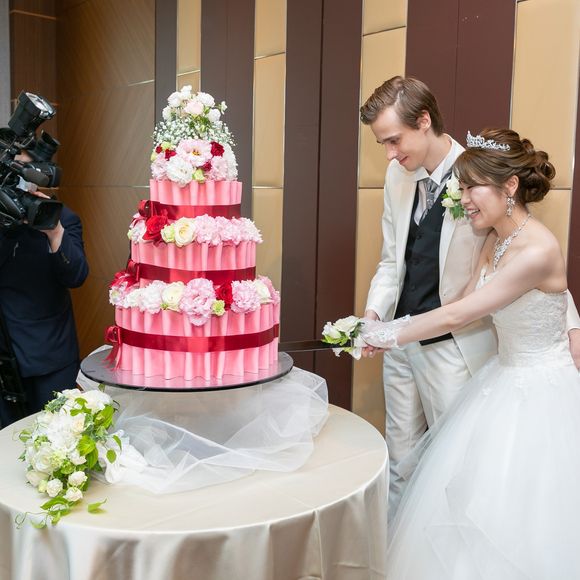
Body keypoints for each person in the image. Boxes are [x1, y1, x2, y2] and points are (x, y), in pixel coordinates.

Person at [361, 128, 580, 578]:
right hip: (504, 375)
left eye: (471, 188)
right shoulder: (495, 238)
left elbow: (458, 314)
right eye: (460, 189)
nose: (462, 200)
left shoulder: (538, 250)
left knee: (526, 508)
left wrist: (385, 335)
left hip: (542, 388)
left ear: (510, 186)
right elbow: (458, 298)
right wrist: (383, 327)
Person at [0, 153, 89, 426]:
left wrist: (53, 231)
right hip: (5, 355)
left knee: (55, 433)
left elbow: (76, 276)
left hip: (49, 354)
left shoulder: (62, 217)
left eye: (25, 169)